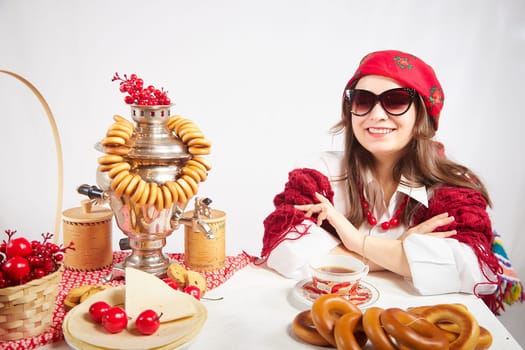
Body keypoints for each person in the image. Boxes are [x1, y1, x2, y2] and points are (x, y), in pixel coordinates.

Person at [259, 49, 508, 312]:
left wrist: (357, 243)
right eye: (363, 100)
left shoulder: (450, 187)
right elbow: (283, 246)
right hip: (328, 318)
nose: (376, 115)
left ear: (422, 116)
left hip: (413, 324)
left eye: (396, 100)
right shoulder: (322, 171)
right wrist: (397, 252)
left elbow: (475, 271)